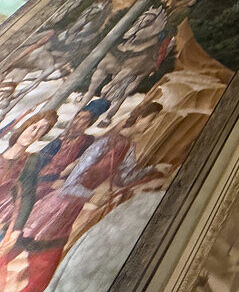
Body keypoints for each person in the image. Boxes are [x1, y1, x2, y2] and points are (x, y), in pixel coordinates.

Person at [16, 103, 163, 292]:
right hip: (60, 203)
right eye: (151, 120)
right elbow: (75, 177)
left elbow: (125, 177)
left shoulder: (129, 146)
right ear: (141, 116)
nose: (150, 126)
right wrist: (92, 195)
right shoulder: (107, 142)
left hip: (73, 208)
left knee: (44, 262)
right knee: (25, 246)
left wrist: (154, 169)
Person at [0, 111, 57, 287]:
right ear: (24, 127)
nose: (35, 133)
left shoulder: (30, 160)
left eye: (41, 130)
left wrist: (16, 230)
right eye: (34, 127)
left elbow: (27, 195)